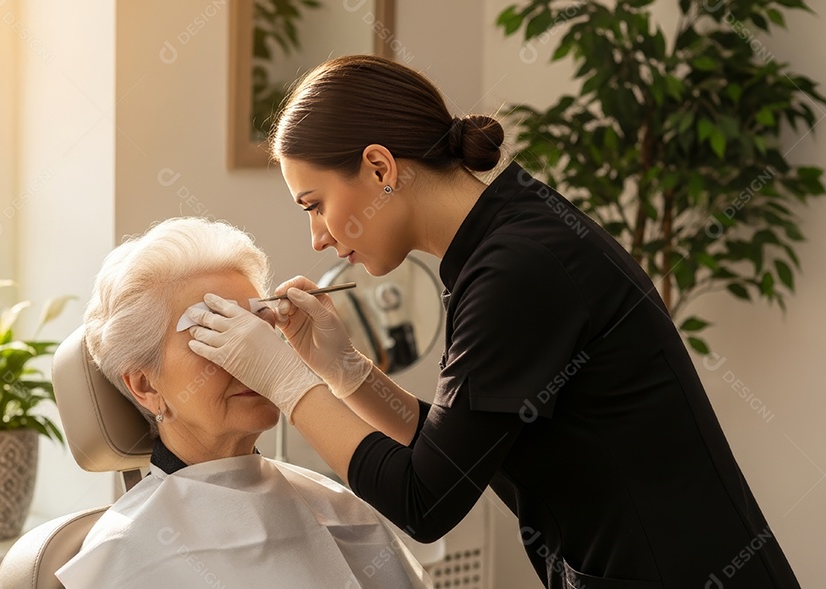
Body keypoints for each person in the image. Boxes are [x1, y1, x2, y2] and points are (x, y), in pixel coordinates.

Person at [185, 55, 802, 588]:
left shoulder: (517, 269)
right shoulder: (502, 243)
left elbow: (424, 501)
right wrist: (344, 370)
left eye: (314, 205)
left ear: (379, 168)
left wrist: (288, 384)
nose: (317, 238)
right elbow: (449, 456)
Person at [54, 217, 430, 589]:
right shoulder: (124, 556)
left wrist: (349, 370)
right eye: (215, 330)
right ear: (144, 385)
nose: (248, 357)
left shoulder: (338, 508)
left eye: (256, 329)